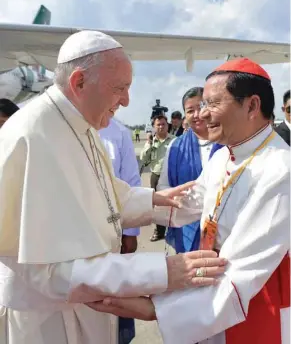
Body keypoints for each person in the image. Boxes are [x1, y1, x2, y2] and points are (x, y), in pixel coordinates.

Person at [0, 30, 226, 344]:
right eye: (119, 88)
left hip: (86, 308)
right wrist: (161, 271)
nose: (126, 100)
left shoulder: (81, 123)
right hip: (48, 321)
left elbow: (100, 193)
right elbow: (46, 270)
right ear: (79, 82)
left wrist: (154, 201)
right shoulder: (32, 138)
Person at [89, 58, 290, 344]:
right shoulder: (224, 156)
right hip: (211, 290)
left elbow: (244, 269)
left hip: (251, 302)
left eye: (212, 104)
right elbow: (185, 204)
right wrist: (109, 206)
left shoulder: (281, 171)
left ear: (252, 105)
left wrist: (156, 308)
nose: (202, 115)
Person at [158, 87, 223, 253]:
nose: (197, 114)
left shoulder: (227, 143)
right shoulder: (175, 147)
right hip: (186, 226)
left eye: (201, 107)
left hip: (223, 230)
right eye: (190, 111)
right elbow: (163, 187)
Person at [99, 117, 141, 343]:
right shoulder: (62, 128)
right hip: (76, 240)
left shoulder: (120, 133)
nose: (123, 100)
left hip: (113, 233)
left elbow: (131, 182)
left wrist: (131, 232)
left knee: (116, 295)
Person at [140, 115, 175, 241]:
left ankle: (174, 231)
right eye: (158, 125)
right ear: (154, 127)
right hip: (156, 175)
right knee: (158, 205)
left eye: (163, 124)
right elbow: (143, 158)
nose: (161, 127)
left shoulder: (174, 140)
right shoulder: (151, 142)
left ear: (168, 125)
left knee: (173, 204)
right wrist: (149, 142)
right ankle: (159, 231)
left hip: (171, 176)